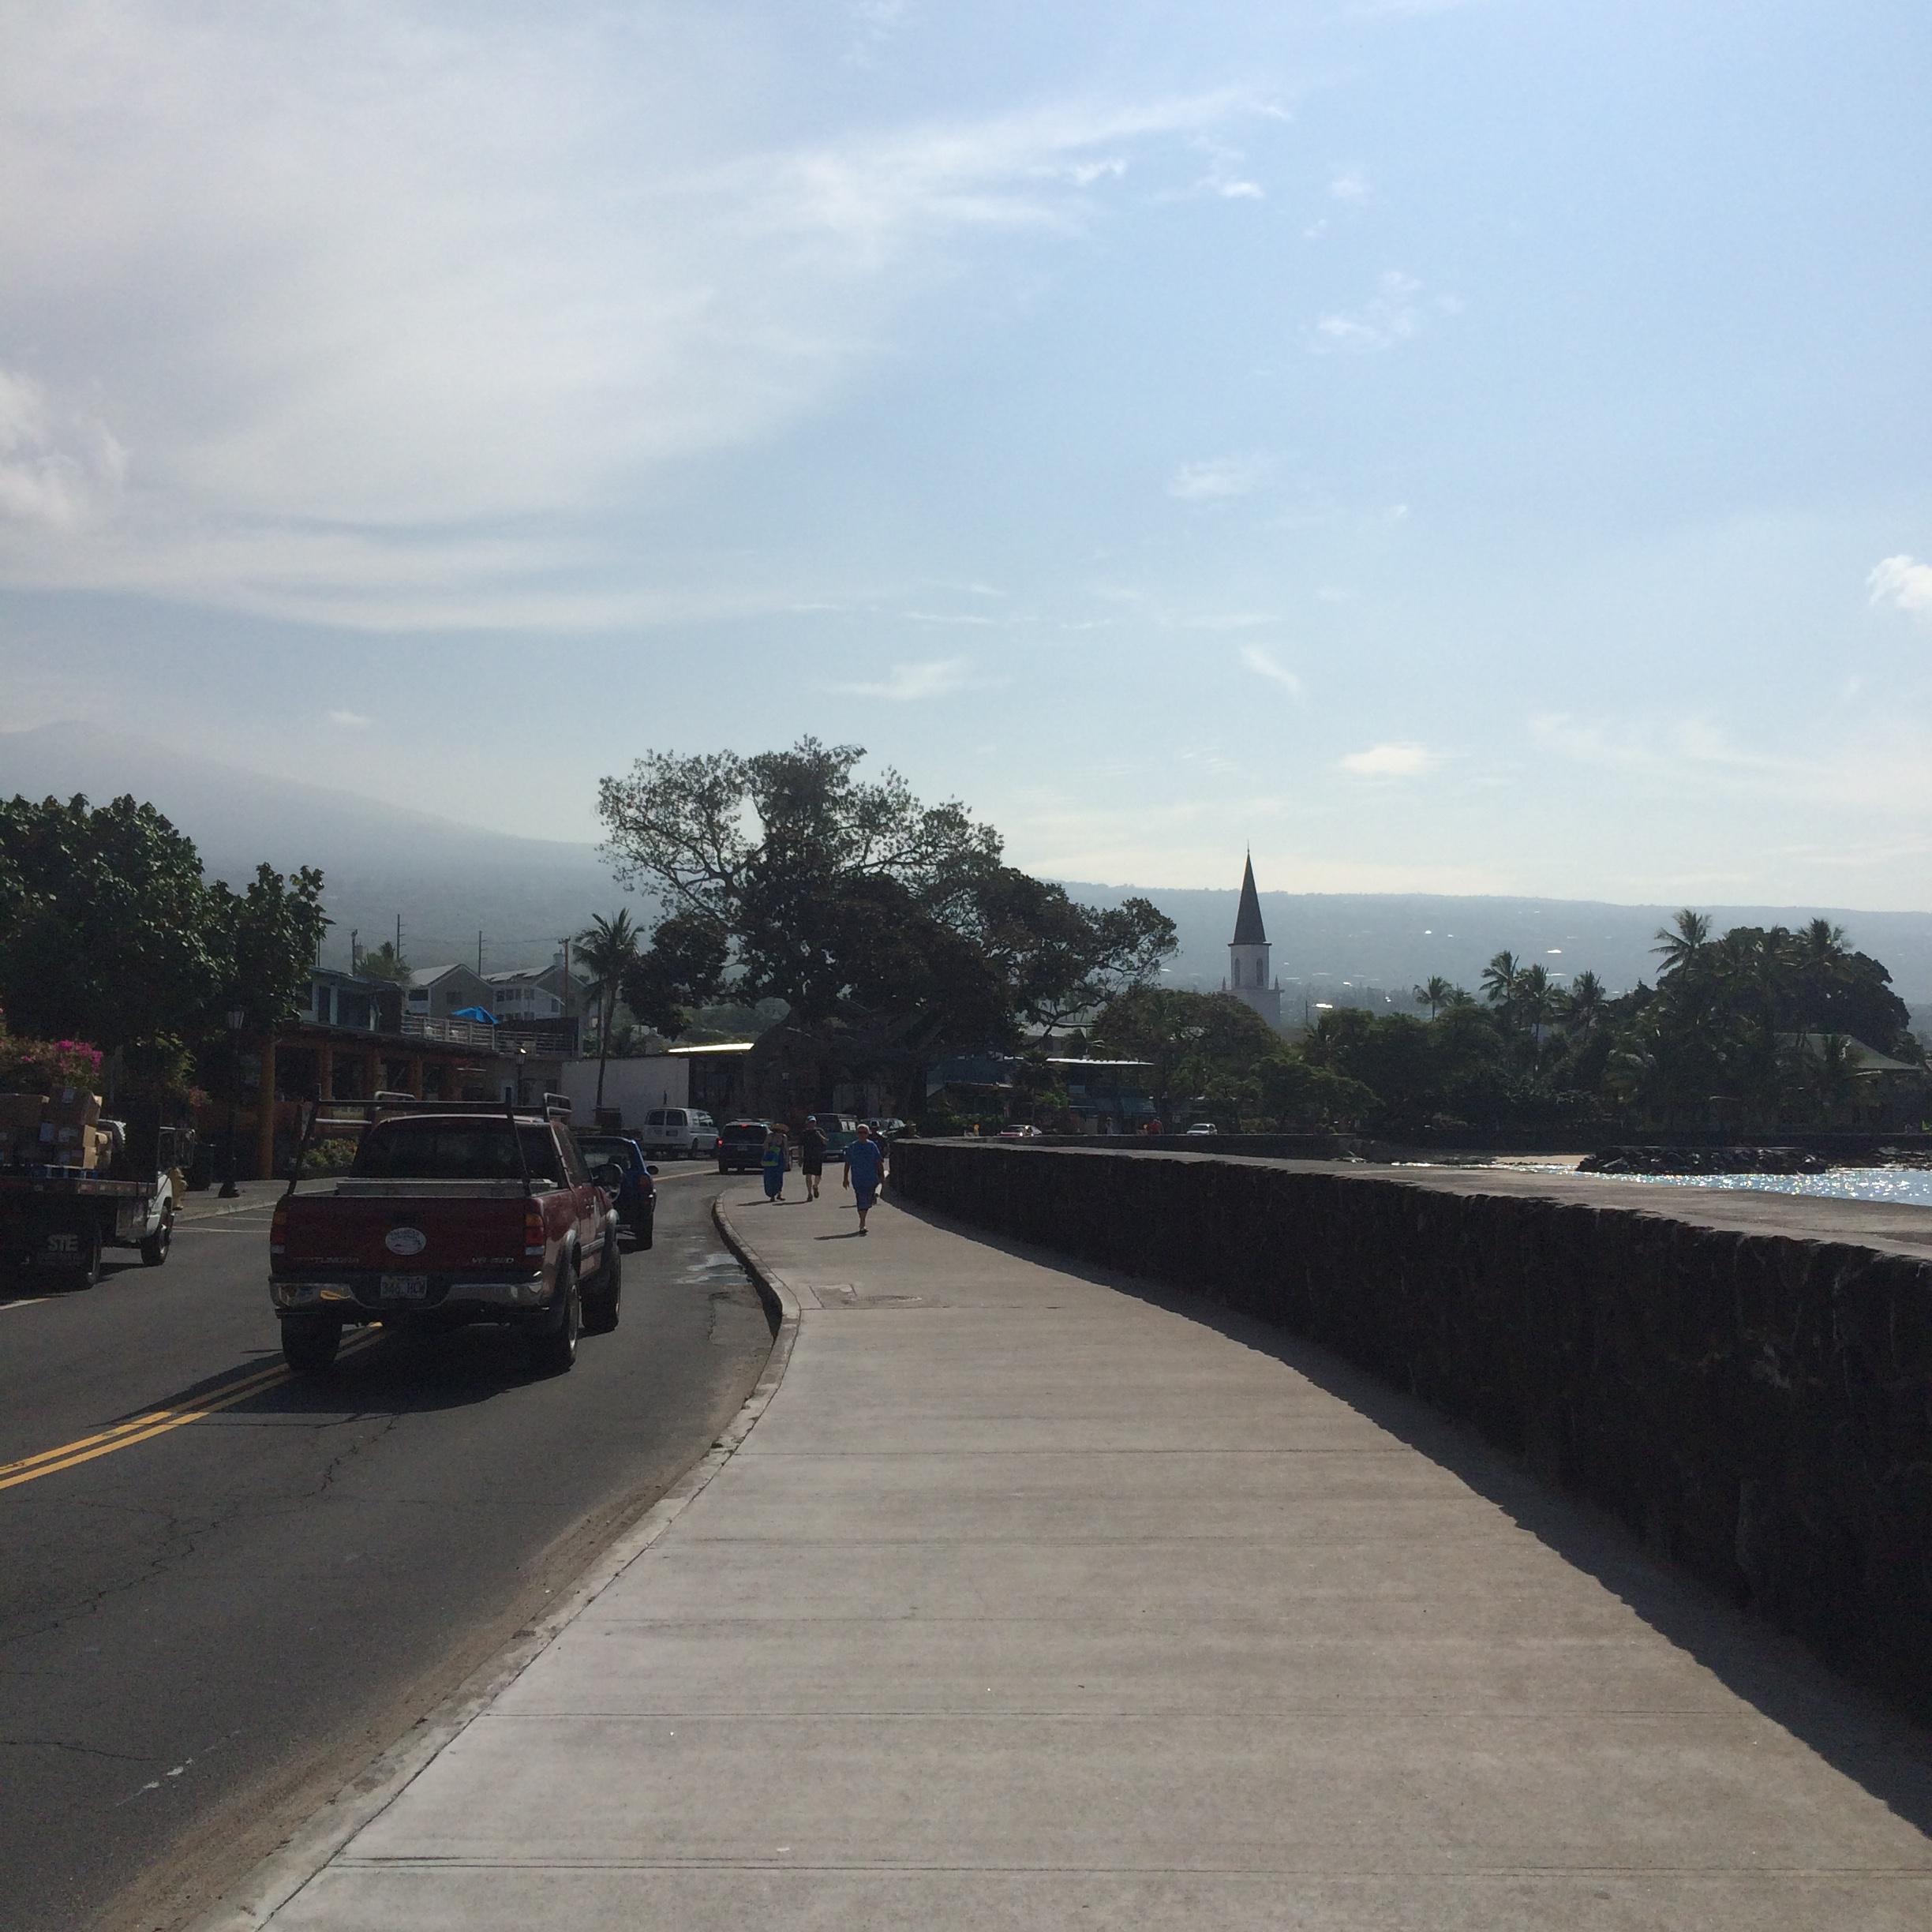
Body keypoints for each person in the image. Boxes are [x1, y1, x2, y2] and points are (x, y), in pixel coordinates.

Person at [841, 1121, 886, 1234]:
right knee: (861, 1199)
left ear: (867, 1134)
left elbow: (878, 1161)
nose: (862, 1135)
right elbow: (847, 1163)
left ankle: (864, 1216)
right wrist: (845, 1178)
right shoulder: (853, 1147)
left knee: (868, 1200)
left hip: (871, 1178)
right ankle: (862, 1223)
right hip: (858, 1178)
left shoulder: (872, 1146)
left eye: (864, 1133)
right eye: (860, 1132)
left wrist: (881, 1175)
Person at [798, 1114, 828, 1200]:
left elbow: (826, 1142)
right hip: (808, 1157)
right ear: (807, 1123)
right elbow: (800, 1146)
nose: (812, 1124)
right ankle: (809, 1193)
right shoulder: (804, 1134)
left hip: (817, 1156)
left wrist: (819, 1135)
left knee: (818, 1175)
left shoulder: (820, 1131)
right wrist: (800, 1158)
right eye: (810, 1122)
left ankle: (815, 1186)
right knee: (808, 1175)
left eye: (813, 1122)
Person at [760, 1124, 788, 1204]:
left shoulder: (784, 1137)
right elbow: (765, 1146)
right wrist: (771, 1149)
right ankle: (772, 1195)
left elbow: (786, 1149)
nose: (778, 1132)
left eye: (780, 1131)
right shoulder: (770, 1136)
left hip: (780, 1159)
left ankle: (779, 1193)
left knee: (779, 1177)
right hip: (771, 1159)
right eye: (777, 1130)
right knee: (770, 1177)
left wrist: (786, 1161)